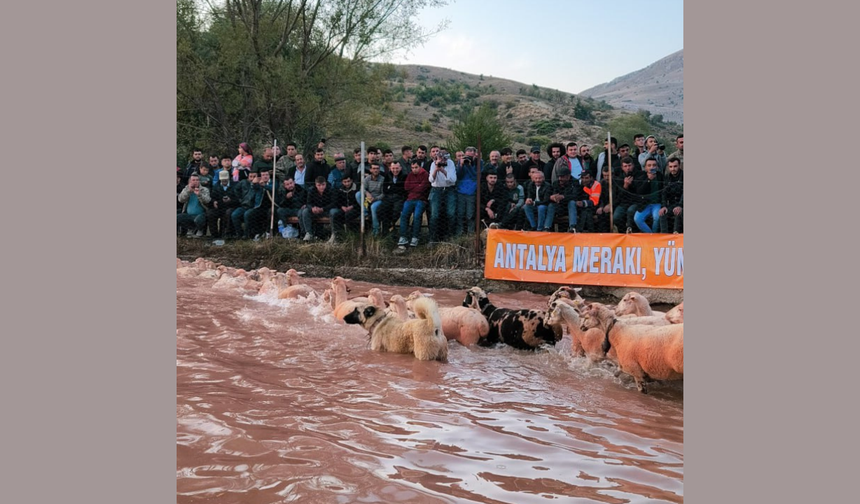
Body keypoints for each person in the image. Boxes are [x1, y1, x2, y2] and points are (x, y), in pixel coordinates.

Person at [397, 158, 430, 248]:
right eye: (412, 167)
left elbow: (423, 188)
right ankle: (403, 237)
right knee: (404, 215)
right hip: (410, 199)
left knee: (417, 216)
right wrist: (418, 185)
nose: (414, 169)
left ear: (420, 166)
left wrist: (415, 187)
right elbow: (406, 186)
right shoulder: (410, 175)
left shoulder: (425, 174)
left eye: (416, 167)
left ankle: (415, 237)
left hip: (421, 199)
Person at [428, 149, 457, 242]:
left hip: (449, 189)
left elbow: (453, 180)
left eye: (445, 158)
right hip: (436, 189)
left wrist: (443, 171)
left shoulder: (451, 163)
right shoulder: (433, 164)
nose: (443, 160)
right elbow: (431, 180)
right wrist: (436, 169)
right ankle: (433, 238)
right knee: (434, 215)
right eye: (441, 158)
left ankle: (450, 236)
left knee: (451, 213)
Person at [549, 166, 588, 233]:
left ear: (568, 176)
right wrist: (553, 197)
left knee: (572, 202)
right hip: (560, 207)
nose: (560, 179)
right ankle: (546, 227)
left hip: (573, 208)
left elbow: (576, 196)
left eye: (562, 177)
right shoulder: (556, 183)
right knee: (551, 205)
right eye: (559, 176)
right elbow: (552, 194)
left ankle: (572, 227)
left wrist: (563, 197)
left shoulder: (575, 183)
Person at [612, 156, 645, 233]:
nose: (628, 168)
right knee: (616, 217)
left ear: (633, 165)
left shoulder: (640, 175)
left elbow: (641, 191)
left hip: (636, 202)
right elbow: (618, 196)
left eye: (629, 165)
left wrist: (633, 184)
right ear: (622, 167)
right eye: (625, 166)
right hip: (624, 202)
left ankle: (633, 231)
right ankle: (623, 232)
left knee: (631, 211)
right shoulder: (618, 178)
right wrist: (625, 186)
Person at [299, 176, 337, 241]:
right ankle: (309, 233)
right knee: (305, 211)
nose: (321, 187)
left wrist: (323, 209)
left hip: (327, 211)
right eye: (319, 185)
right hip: (315, 211)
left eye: (323, 185)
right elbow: (308, 203)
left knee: (333, 212)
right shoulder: (311, 190)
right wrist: (312, 208)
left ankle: (334, 235)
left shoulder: (331, 190)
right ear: (316, 184)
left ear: (326, 184)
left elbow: (334, 203)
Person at [242, 169, 276, 240]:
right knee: (248, 214)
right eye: (263, 175)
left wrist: (264, 186)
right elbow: (253, 188)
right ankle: (248, 234)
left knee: (271, 212)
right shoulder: (258, 184)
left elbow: (273, 188)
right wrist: (254, 183)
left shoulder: (273, 182)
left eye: (266, 175)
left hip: (271, 206)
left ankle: (268, 232)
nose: (265, 176)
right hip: (259, 206)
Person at [633, 159, 664, 233]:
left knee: (657, 217)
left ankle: (654, 235)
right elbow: (639, 191)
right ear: (645, 167)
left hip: (657, 203)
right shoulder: (641, 176)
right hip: (644, 204)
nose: (652, 167)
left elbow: (664, 191)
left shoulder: (660, 176)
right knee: (637, 219)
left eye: (654, 165)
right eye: (649, 165)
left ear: (657, 167)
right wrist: (648, 180)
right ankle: (650, 235)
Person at [455, 146, 479, 236]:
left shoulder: (479, 162)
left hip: (471, 192)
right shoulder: (461, 162)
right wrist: (461, 165)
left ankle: (470, 233)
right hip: (461, 191)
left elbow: (475, 176)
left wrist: (469, 165)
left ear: (474, 155)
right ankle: (459, 233)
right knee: (460, 213)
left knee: (470, 214)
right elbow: (458, 176)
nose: (468, 158)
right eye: (467, 156)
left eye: (471, 156)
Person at [207, 170, 239, 238]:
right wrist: (214, 201)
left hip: (231, 206)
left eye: (225, 179)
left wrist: (230, 200)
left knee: (228, 213)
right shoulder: (216, 186)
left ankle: (226, 234)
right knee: (210, 213)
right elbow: (212, 197)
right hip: (219, 206)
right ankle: (214, 235)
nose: (224, 181)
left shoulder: (235, 186)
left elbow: (238, 199)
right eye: (222, 180)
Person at [177, 173, 211, 237]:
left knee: (198, 219)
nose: (195, 182)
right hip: (188, 214)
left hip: (201, 214)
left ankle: (200, 229)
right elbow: (180, 199)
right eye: (193, 180)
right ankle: (191, 228)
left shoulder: (204, 189)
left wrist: (199, 195)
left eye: (197, 180)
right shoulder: (186, 189)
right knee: (177, 218)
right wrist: (188, 191)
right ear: (190, 181)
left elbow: (207, 200)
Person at [329, 174, 359, 243]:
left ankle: (350, 234)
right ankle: (337, 235)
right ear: (342, 182)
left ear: (351, 181)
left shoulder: (356, 189)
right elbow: (336, 201)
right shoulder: (340, 189)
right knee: (336, 215)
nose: (347, 183)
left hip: (355, 208)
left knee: (348, 215)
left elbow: (359, 202)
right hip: (344, 208)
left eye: (348, 181)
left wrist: (352, 206)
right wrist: (342, 207)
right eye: (345, 182)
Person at [380, 160, 407, 237]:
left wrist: (391, 188)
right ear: (390, 168)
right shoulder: (387, 176)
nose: (395, 170)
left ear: (400, 168)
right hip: (388, 198)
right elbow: (385, 190)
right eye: (393, 168)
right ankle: (385, 232)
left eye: (397, 168)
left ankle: (392, 225)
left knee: (396, 211)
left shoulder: (404, 176)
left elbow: (403, 190)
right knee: (381, 210)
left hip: (399, 198)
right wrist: (395, 188)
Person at [230, 171, 258, 239]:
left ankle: (247, 234)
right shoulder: (243, 182)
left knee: (247, 214)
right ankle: (239, 234)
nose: (252, 178)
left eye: (254, 176)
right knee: (234, 215)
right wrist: (240, 199)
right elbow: (236, 189)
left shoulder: (259, 185)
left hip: (254, 207)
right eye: (250, 176)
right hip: (244, 205)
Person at [360, 163, 386, 236]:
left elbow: (383, 193)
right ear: (370, 170)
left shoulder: (382, 179)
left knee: (373, 207)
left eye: (377, 168)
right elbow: (362, 188)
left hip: (378, 199)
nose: (376, 170)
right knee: (358, 194)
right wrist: (367, 193)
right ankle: (365, 213)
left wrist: (375, 199)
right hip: (369, 197)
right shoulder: (367, 178)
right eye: (374, 168)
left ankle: (376, 229)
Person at [660, 157, 683, 233]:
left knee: (678, 212)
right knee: (662, 213)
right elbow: (664, 193)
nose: (673, 169)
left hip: (682, 204)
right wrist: (663, 206)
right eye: (670, 167)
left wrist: (680, 205)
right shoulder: (667, 177)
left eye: (675, 166)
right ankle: (664, 236)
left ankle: (676, 234)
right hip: (672, 204)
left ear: (679, 166)